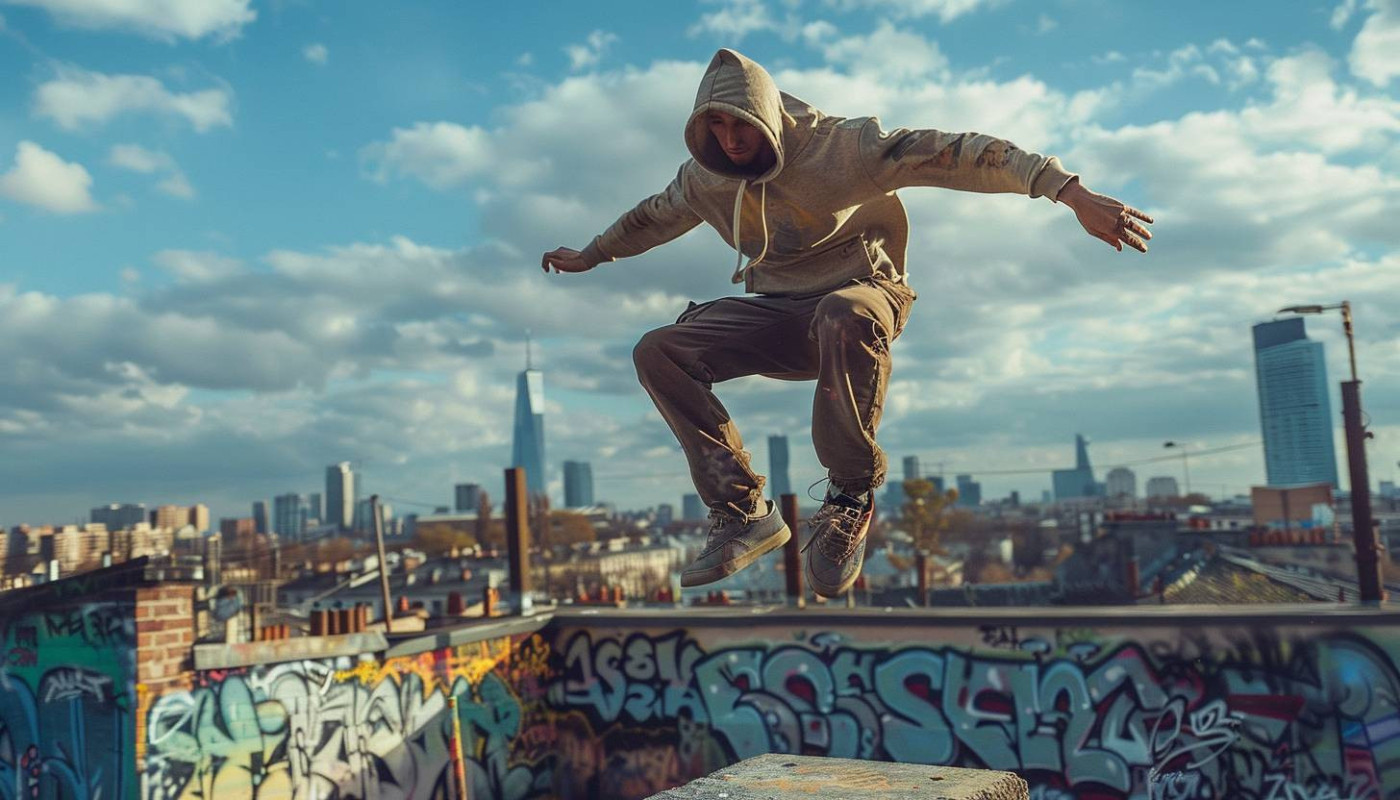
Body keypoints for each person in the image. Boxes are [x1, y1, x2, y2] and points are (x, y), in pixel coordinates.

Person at [541, 48, 1152, 599]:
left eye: (741, 124)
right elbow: (650, 218)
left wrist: (1068, 192)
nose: (729, 141)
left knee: (841, 312)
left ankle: (848, 499)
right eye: (716, 127)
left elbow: (959, 153)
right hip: (779, 311)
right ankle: (741, 513)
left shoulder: (845, 147)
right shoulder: (704, 178)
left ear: (768, 116)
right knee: (658, 350)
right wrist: (592, 254)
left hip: (864, 296)